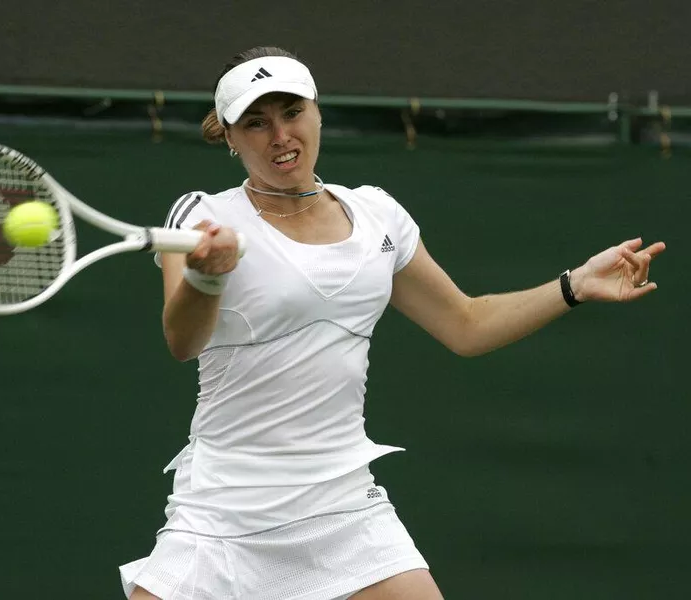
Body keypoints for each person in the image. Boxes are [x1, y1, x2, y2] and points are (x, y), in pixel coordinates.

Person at [119, 46, 666, 600]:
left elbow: (466, 324)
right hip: (223, 510)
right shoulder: (202, 218)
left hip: (342, 508)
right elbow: (182, 341)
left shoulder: (379, 215)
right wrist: (208, 276)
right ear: (230, 138)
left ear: (317, 113)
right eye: (256, 123)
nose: (279, 135)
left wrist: (574, 284)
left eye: (291, 113)